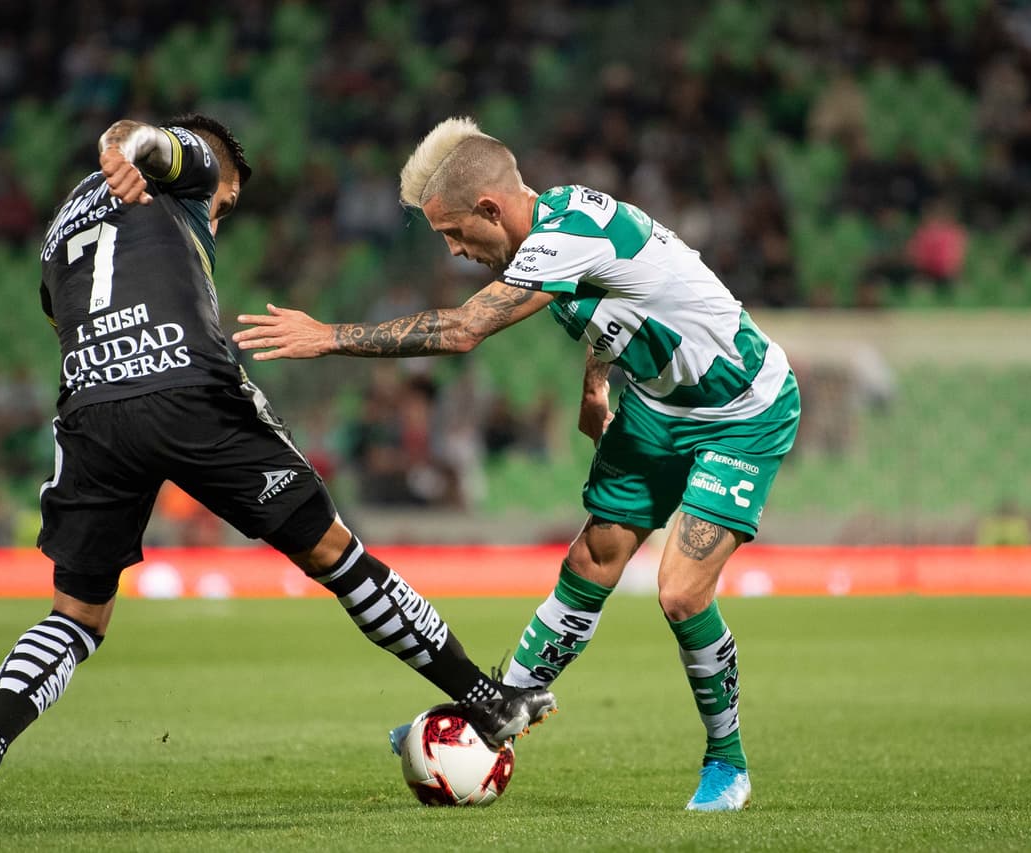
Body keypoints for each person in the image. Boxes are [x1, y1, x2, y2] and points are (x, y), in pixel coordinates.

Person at [0, 115, 555, 811]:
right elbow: (147, 138)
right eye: (222, 208)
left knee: (75, 616)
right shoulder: (186, 166)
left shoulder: (56, 232)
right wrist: (125, 147)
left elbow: (65, 316)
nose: (215, 221)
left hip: (91, 407)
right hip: (189, 388)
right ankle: (487, 700)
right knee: (338, 555)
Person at [233, 116, 802, 812]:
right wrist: (597, 382)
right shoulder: (552, 232)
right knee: (591, 562)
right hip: (656, 404)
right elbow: (617, 299)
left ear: (490, 209)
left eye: (452, 232)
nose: (451, 249)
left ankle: (727, 762)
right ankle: (494, 713)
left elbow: (467, 328)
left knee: (681, 592)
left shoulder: (560, 237)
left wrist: (330, 337)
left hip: (742, 407)